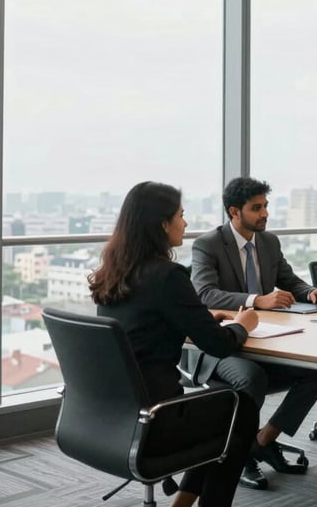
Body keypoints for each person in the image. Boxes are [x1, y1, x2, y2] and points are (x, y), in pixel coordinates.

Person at [88, 181, 260, 507]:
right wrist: (242, 325)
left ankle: (181, 504)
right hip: (157, 418)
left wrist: (199, 318)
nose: (186, 222)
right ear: (162, 224)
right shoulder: (168, 275)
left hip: (115, 416)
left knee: (222, 416)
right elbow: (219, 345)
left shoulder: (113, 273)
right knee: (241, 410)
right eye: (180, 215)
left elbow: (146, 325)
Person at [191, 177, 317, 490]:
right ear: (234, 211)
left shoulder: (269, 242)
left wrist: (311, 292)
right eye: (256, 208)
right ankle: (238, 457)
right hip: (222, 347)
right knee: (251, 378)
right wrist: (256, 300)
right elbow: (204, 294)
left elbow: (290, 280)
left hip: (265, 340)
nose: (265, 213)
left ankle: (260, 442)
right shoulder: (208, 244)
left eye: (266, 206)